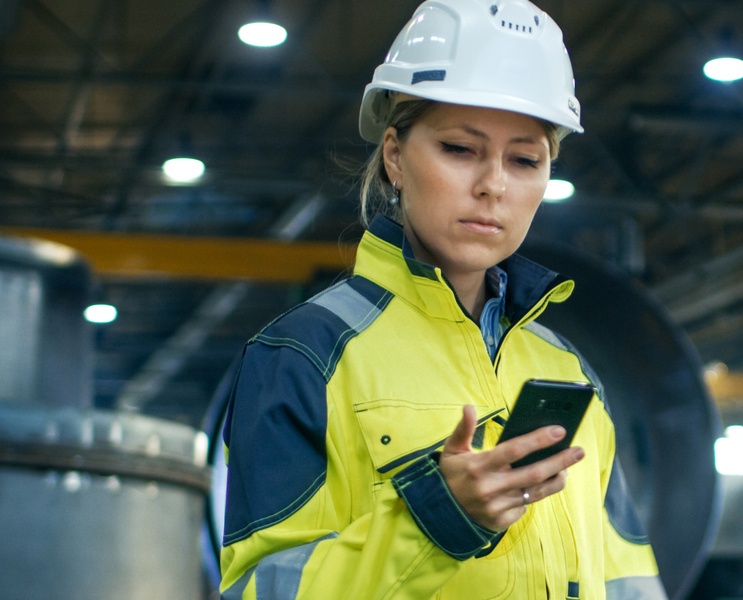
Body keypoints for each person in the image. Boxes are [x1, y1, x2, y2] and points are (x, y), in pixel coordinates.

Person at [219, 0, 667, 598]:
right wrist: (434, 520)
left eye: (525, 159)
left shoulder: (566, 369)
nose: (494, 186)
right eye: (460, 149)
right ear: (396, 156)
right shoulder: (302, 356)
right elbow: (257, 590)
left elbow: (627, 578)